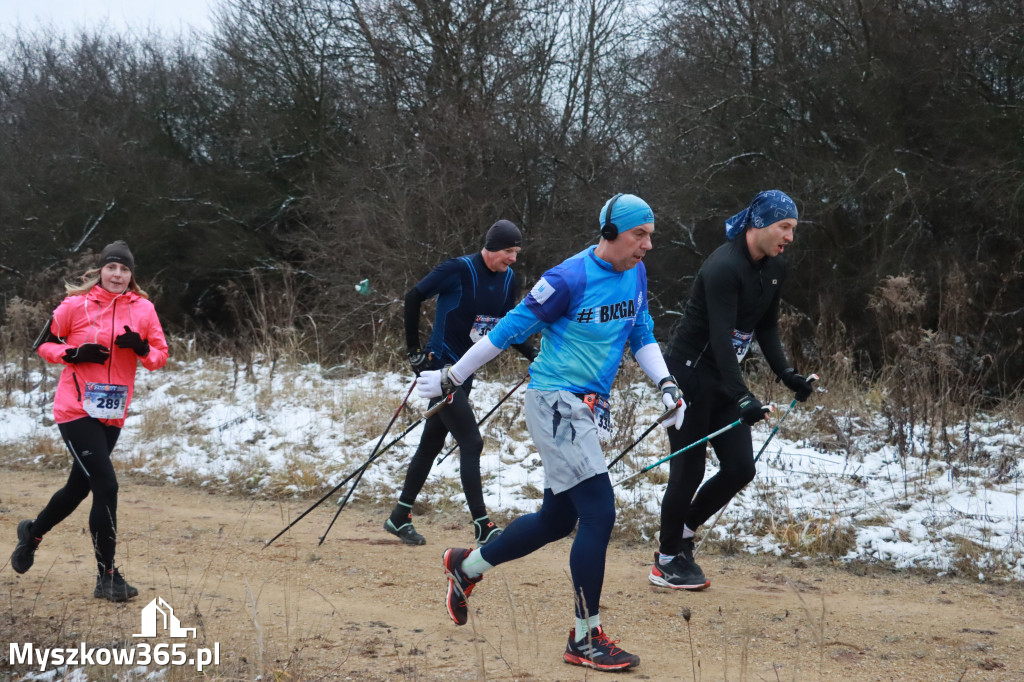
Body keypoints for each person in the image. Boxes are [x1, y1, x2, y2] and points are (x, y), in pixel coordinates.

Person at [418, 193, 686, 672]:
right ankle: (584, 636)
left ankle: (466, 566)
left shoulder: (636, 272)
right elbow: (507, 328)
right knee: (600, 512)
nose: (647, 244)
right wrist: (451, 377)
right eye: (638, 235)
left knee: (557, 519)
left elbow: (640, 330)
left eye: (650, 235)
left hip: (585, 408)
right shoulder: (568, 277)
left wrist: (666, 384)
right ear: (609, 233)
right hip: (556, 403)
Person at [650, 189, 816, 591]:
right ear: (759, 225)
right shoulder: (724, 267)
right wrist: (744, 395)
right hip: (690, 376)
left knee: (742, 467)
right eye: (784, 227)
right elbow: (722, 339)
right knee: (688, 471)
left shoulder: (775, 267)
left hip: (725, 379)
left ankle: (685, 534)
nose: (789, 237)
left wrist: (788, 375)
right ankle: (667, 559)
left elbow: (767, 326)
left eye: (793, 228)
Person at [10, 241, 169, 601]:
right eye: (112, 268)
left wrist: (142, 349)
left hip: (112, 413)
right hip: (76, 408)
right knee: (106, 486)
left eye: (124, 270)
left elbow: (160, 357)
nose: (117, 275)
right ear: (101, 271)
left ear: (131, 275)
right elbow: (43, 344)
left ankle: (32, 533)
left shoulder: (143, 309)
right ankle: (107, 577)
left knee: (79, 488)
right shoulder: (75, 305)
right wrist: (73, 353)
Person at [384, 220, 538, 547]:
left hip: (465, 372)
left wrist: (533, 354)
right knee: (472, 441)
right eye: (508, 251)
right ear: (492, 247)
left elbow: (506, 326)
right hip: (440, 369)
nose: (513, 258)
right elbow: (414, 297)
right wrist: (413, 352)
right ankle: (482, 524)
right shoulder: (459, 269)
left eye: (516, 252)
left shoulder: (510, 279)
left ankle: (399, 515)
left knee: (432, 442)